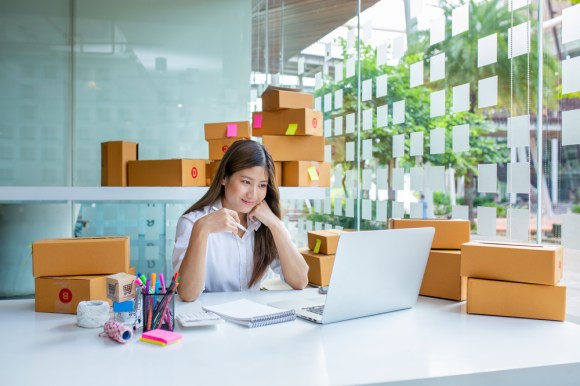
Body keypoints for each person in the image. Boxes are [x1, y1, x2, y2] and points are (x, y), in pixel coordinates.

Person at [172, 139, 309, 302]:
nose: (253, 194)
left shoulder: (265, 223)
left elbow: (300, 281)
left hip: (253, 320)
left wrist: (275, 224)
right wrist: (201, 230)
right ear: (224, 177)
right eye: (246, 182)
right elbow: (187, 293)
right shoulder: (192, 222)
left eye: (262, 185)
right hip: (209, 319)